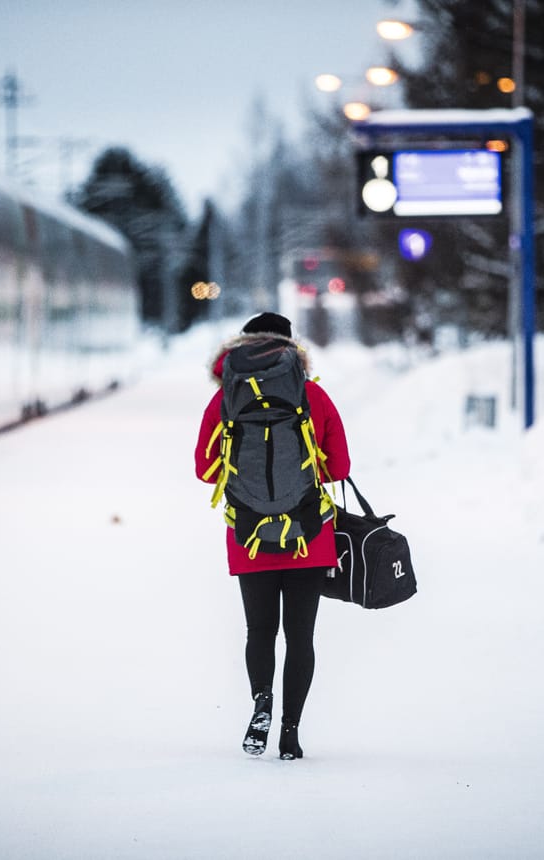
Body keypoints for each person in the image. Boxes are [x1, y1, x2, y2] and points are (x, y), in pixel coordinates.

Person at [194, 312, 351, 760]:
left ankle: (261, 700)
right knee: (300, 637)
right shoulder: (313, 395)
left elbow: (205, 470)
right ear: (291, 351)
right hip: (307, 533)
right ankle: (290, 731)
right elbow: (338, 468)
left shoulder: (225, 399)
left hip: (250, 535)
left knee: (260, 630)